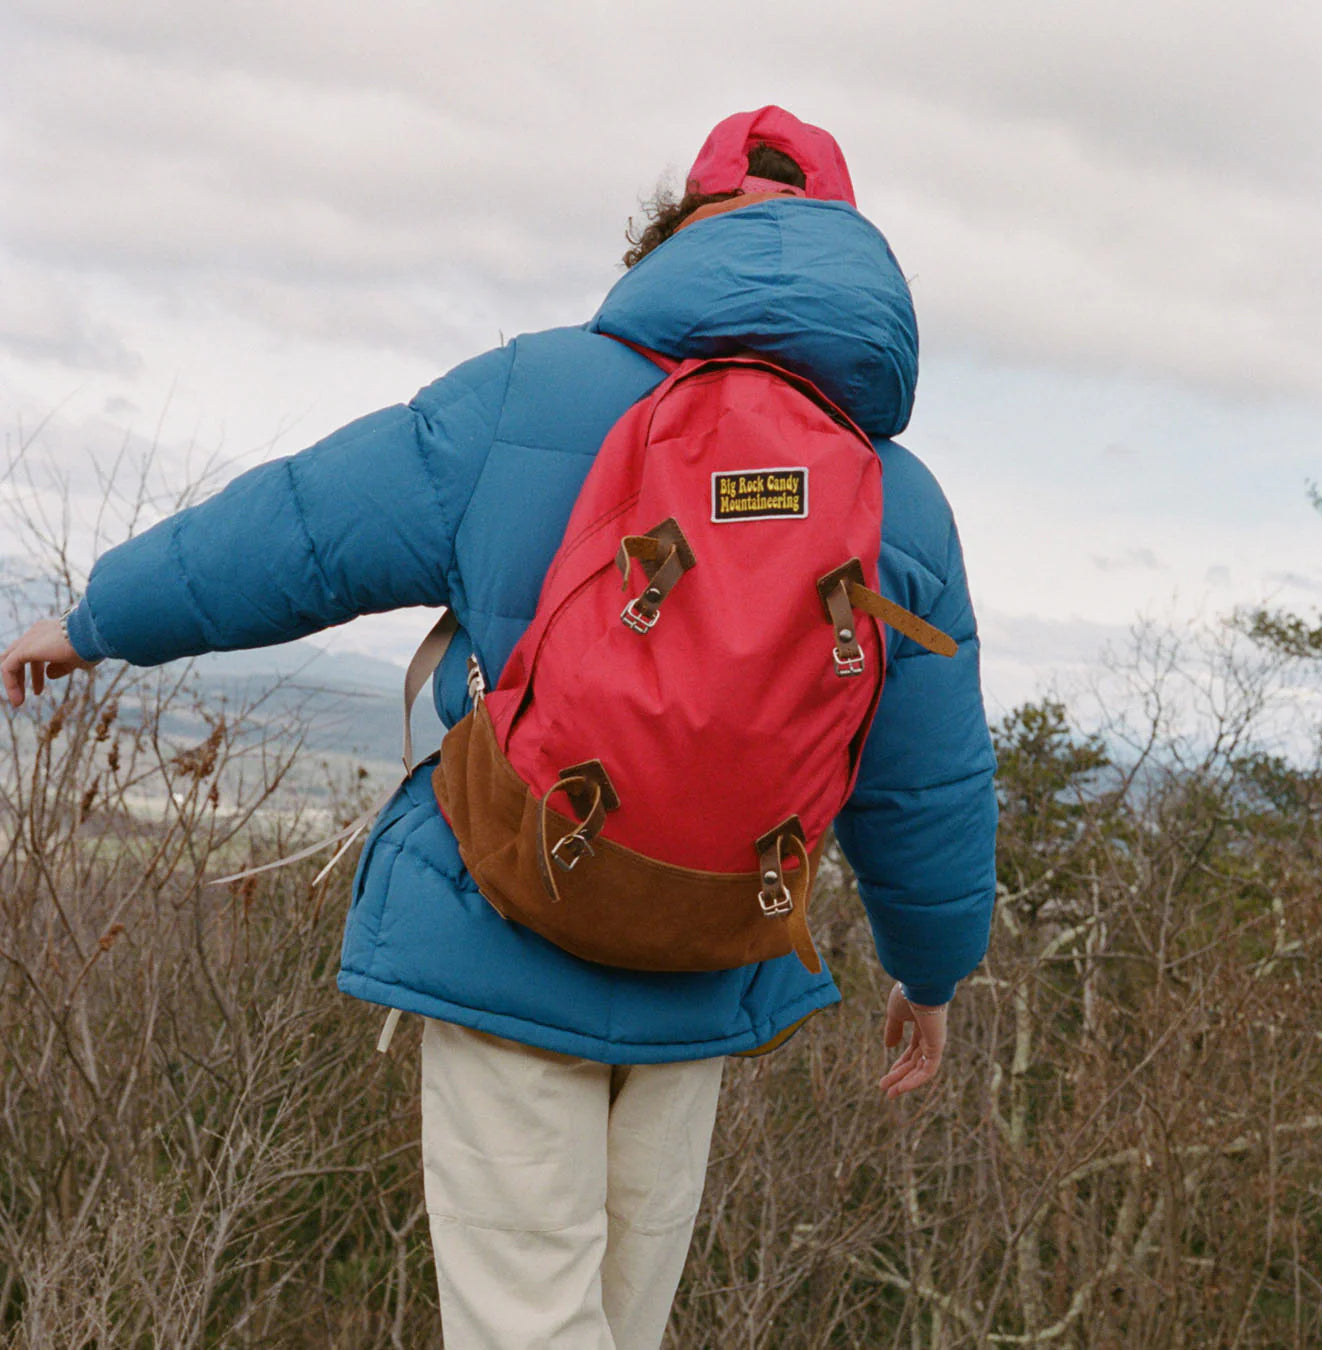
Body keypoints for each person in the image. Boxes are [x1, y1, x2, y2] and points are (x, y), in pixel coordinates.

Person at [2, 106, 998, 1349]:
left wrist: (97, 620)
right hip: (703, 945)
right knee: (618, 1323)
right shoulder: (895, 495)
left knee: (521, 1322)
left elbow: (300, 533)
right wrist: (930, 970)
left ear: (674, 238)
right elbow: (927, 783)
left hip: (506, 915)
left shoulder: (530, 394)